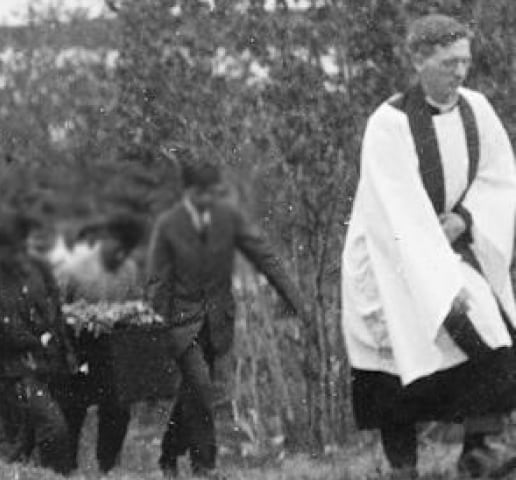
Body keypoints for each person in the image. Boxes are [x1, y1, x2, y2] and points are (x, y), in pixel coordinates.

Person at [341, 14, 516, 479]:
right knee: (395, 363)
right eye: (447, 62)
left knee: (493, 334)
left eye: (465, 61)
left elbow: (500, 176)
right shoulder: (390, 123)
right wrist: (437, 276)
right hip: (389, 256)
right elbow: (396, 204)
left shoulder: (477, 109)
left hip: (452, 247)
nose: (459, 72)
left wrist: (466, 218)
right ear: (418, 60)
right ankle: (403, 468)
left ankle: (478, 450)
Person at [147, 159, 309, 479]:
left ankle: (168, 455)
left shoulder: (227, 217)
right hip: (181, 325)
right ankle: (205, 467)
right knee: (203, 389)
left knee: (193, 394)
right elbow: (157, 281)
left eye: (212, 192)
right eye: (200, 192)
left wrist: (297, 301)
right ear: (188, 192)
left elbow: (265, 257)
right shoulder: (168, 225)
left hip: (217, 322)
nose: (207, 198)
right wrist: (156, 329)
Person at [0, 210, 75, 475]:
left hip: (51, 363)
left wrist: (68, 354)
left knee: (27, 441)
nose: (21, 257)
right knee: (53, 427)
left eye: (23, 248)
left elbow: (56, 309)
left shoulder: (38, 267)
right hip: (15, 373)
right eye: (12, 251)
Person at [52, 213, 145, 473]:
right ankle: (66, 468)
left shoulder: (130, 269)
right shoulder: (73, 269)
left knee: (118, 407)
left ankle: (108, 465)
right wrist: (66, 351)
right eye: (117, 248)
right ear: (105, 239)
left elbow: (133, 307)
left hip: (112, 348)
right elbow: (53, 311)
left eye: (126, 251)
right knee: (73, 409)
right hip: (75, 346)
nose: (120, 256)